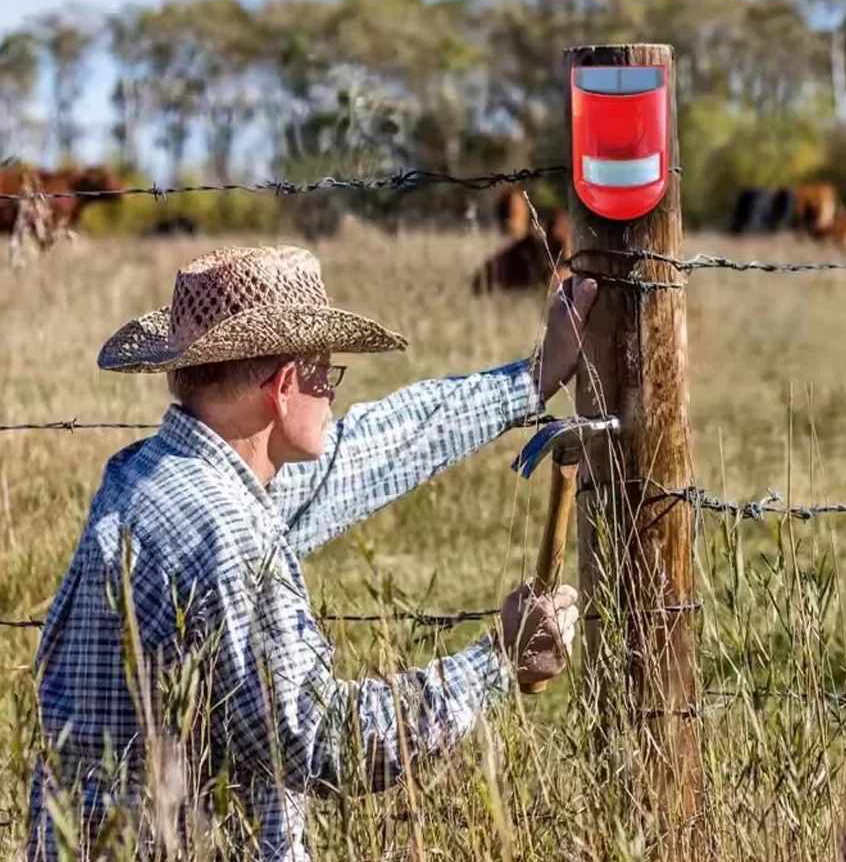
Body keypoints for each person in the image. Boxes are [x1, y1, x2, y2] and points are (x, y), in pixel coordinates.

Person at [27, 243, 598, 862]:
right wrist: (498, 661)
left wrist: (531, 379)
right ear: (283, 387)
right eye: (326, 374)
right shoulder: (226, 533)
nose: (331, 396)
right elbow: (324, 741)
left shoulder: (154, 475)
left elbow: (370, 449)